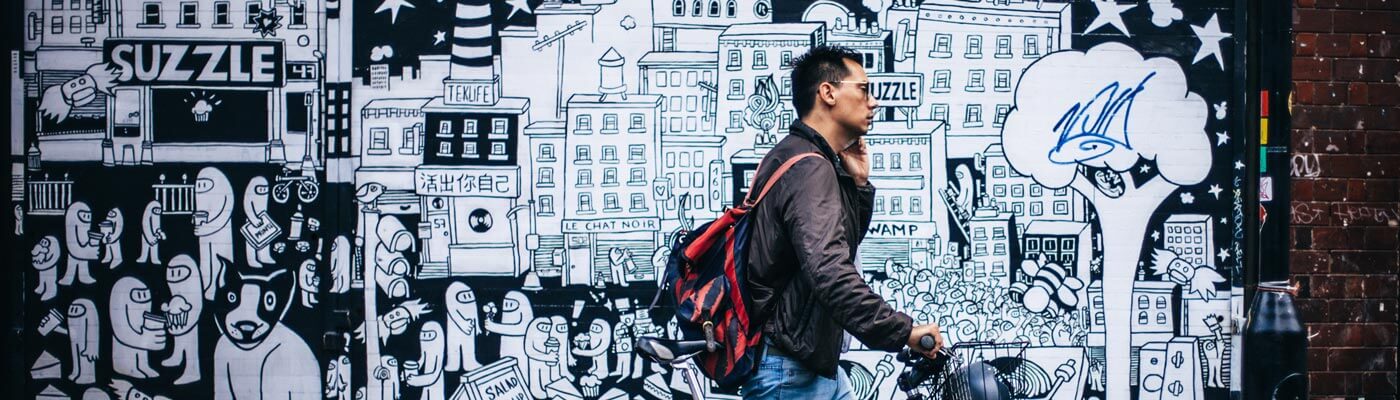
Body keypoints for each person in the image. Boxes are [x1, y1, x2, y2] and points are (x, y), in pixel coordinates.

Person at [741, 45, 942, 400]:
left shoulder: (802, 159)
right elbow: (830, 271)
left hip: (808, 366)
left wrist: (859, 185)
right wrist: (902, 331)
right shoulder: (808, 167)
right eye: (863, 89)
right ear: (828, 93)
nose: (873, 101)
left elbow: (838, 246)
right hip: (791, 373)